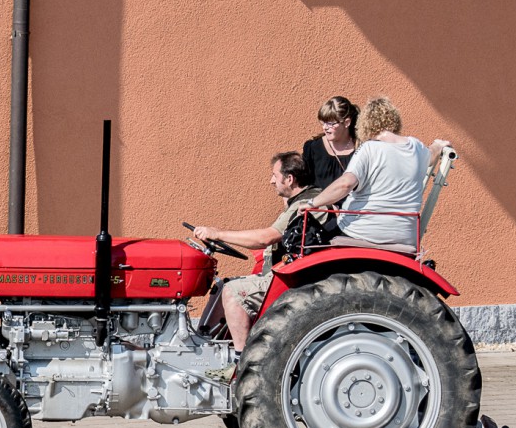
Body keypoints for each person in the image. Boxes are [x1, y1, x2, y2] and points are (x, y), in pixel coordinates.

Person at [192, 151, 322, 359]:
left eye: (274, 175)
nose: (271, 181)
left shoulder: (305, 204)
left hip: (291, 278)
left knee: (233, 292)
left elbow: (266, 238)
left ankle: (241, 361)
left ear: (289, 179)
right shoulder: (297, 203)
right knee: (222, 286)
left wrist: (218, 234)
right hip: (281, 272)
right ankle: (201, 345)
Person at [299, 97, 449, 249]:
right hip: (405, 235)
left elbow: (346, 184)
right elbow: (431, 154)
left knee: (309, 242)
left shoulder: (369, 148)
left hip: (361, 231)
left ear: (366, 123)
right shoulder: (416, 146)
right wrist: (439, 144)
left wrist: (312, 203)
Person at [302, 96, 359, 190]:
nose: (325, 127)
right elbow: (303, 185)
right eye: (323, 122)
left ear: (346, 123)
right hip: (321, 203)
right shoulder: (313, 148)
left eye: (330, 123)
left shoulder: (362, 148)